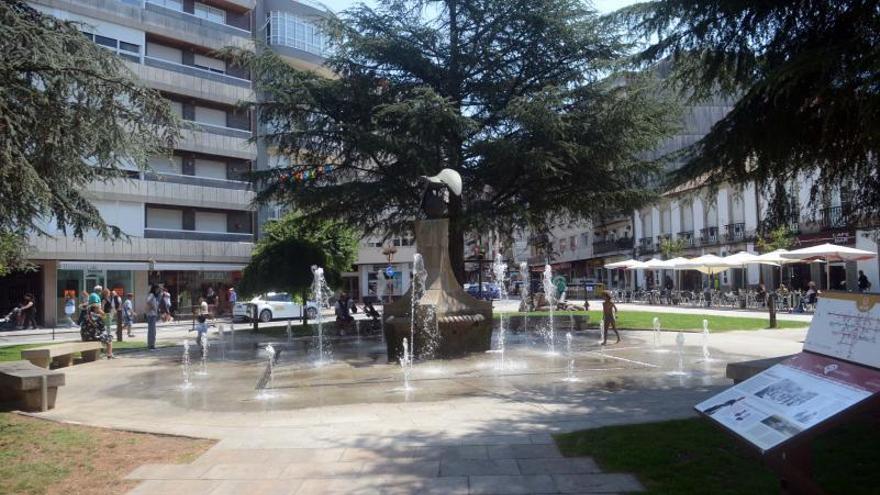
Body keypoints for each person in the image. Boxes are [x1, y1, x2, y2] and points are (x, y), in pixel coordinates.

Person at [145, 285, 160, 350]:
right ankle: (151, 345)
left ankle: (152, 345)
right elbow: (148, 301)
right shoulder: (151, 295)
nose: (157, 291)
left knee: (153, 331)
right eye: (157, 289)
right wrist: (152, 307)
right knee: (152, 331)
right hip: (151, 314)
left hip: (153, 314)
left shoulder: (154, 296)